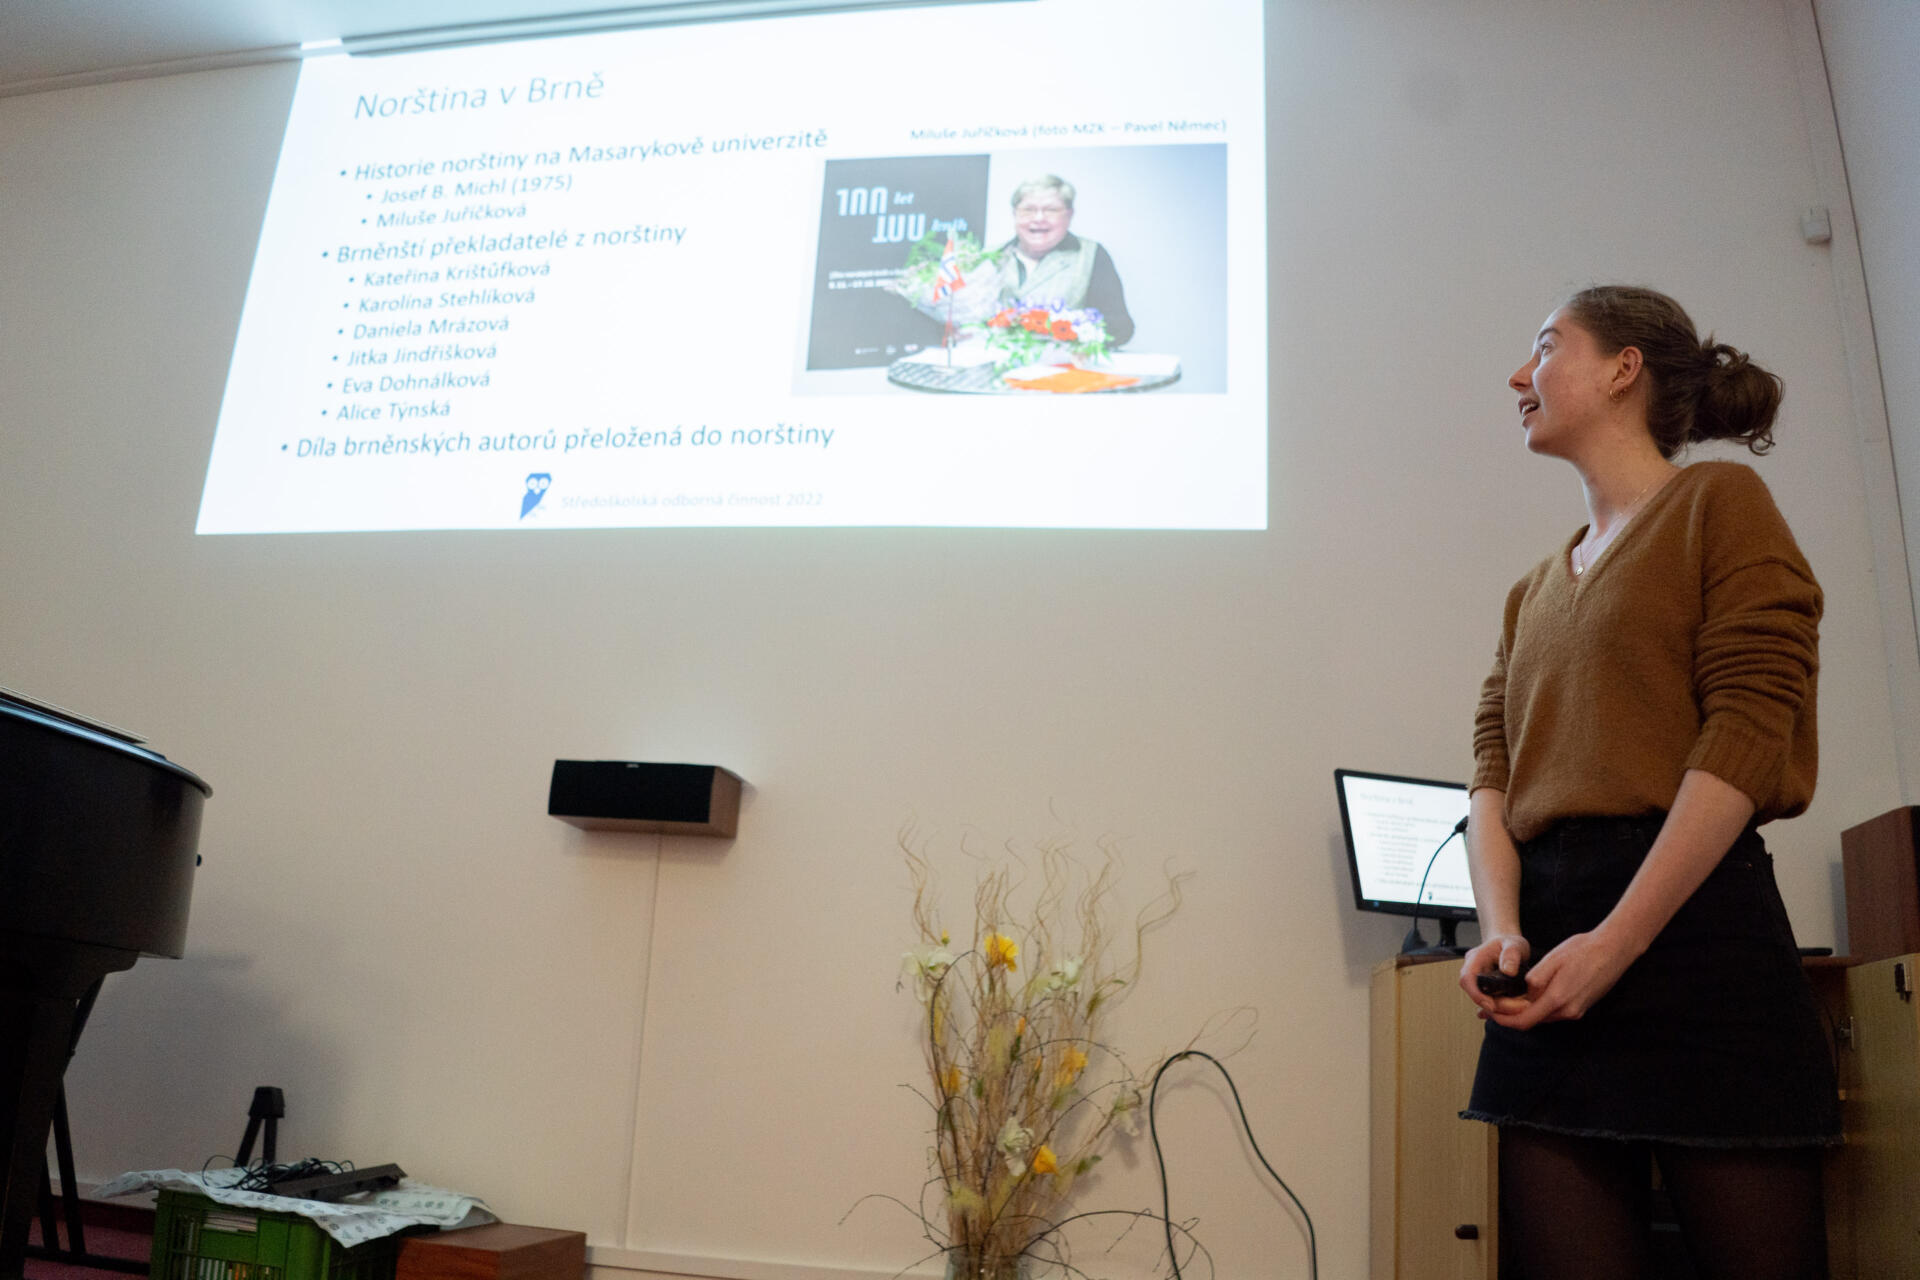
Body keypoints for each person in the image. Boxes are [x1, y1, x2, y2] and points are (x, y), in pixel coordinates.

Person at [1458, 285, 1838, 1279]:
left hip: (1698, 941)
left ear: (1624, 368)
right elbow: (1492, 777)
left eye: (1547, 347)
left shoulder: (1719, 503)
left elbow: (1747, 731)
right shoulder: (1529, 592)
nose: (1519, 375)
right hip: (1547, 956)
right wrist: (1503, 930)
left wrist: (1616, 943)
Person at [991, 176, 1135, 345]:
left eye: (1051, 210)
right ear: (1014, 214)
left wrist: (1071, 334)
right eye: (1028, 210)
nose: (1038, 218)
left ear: (1069, 215)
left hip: (1062, 359)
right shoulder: (988, 257)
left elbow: (1119, 327)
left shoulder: (1090, 254)